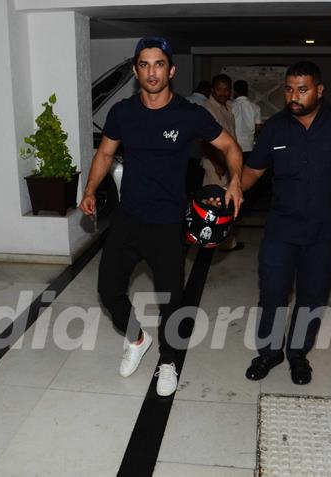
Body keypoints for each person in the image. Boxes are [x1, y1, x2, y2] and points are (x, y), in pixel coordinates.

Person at [79, 37, 243, 397]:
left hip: (169, 222)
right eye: (143, 64)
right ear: (137, 71)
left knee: (172, 300)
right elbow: (105, 154)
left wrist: (235, 184)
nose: (151, 71)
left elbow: (230, 146)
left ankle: (168, 361)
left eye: (158, 64)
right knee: (108, 291)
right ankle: (137, 339)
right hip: (128, 218)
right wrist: (90, 190)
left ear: (171, 69)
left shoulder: (189, 114)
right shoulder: (123, 112)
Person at [240, 61, 331, 385]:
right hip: (282, 228)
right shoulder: (275, 127)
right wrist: (230, 192)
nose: (294, 96)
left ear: (319, 90)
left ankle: (298, 355)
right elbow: (253, 171)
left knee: (312, 296)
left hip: (325, 229)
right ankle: (269, 353)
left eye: (302, 90)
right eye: (289, 89)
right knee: (273, 292)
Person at [202, 74, 244, 251]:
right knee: (214, 205)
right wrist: (218, 163)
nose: (223, 93)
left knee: (225, 205)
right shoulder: (208, 108)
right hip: (215, 165)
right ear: (213, 89)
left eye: (226, 89)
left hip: (227, 164)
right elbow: (206, 141)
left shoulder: (227, 106)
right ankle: (210, 239)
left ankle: (224, 240)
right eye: (219, 89)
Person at [231, 79, 263, 162]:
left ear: (234, 91)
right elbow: (258, 129)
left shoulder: (229, 106)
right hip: (249, 147)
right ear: (247, 91)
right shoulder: (256, 107)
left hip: (234, 147)